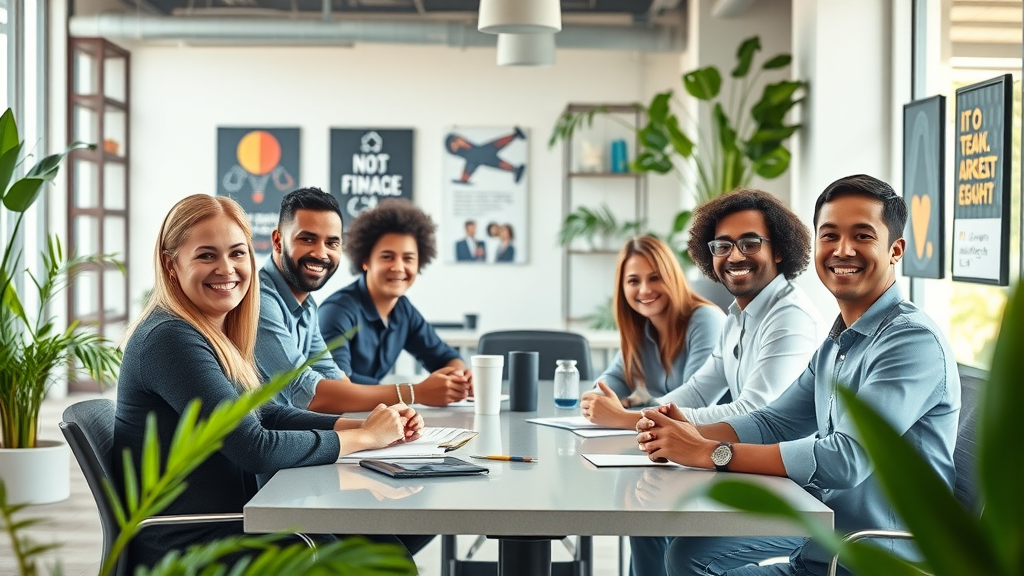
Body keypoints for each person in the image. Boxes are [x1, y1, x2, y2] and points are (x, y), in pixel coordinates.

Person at [638, 175, 961, 576]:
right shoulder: (839, 341)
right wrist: (683, 431)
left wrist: (708, 453)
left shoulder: (910, 342)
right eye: (830, 236)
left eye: (862, 235)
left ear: (895, 250)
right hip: (823, 540)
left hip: (875, 556)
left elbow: (846, 460)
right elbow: (775, 420)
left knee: (687, 558)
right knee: (687, 554)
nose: (843, 250)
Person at [113, 194, 425, 569]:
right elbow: (254, 447)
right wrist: (362, 439)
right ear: (171, 264)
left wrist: (368, 426)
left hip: (235, 522)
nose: (226, 269)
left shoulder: (211, 331)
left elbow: (269, 414)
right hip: (193, 544)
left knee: (388, 545)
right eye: (206, 255)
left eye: (237, 253)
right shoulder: (170, 339)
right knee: (385, 560)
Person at [582, 189, 822, 429]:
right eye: (723, 246)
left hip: (782, 463)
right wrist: (647, 417)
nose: (735, 256)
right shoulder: (738, 317)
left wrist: (628, 419)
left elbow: (752, 411)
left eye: (750, 244)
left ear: (778, 251)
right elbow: (696, 392)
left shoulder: (790, 316)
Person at [255, 188, 470, 412]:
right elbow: (308, 392)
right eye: (307, 239)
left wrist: (458, 380)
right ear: (278, 241)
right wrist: (414, 393)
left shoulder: (307, 306)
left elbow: (335, 379)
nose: (321, 253)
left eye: (332, 243)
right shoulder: (261, 301)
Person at [319, 199, 473, 393]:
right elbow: (338, 386)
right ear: (366, 261)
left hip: (375, 416)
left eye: (408, 258)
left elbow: (444, 358)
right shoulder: (337, 311)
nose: (399, 267)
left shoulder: (403, 310)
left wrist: (460, 378)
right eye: (387, 257)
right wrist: (416, 392)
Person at [582, 236, 725, 411]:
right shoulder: (642, 327)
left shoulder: (706, 320)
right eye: (634, 281)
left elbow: (694, 398)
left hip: (715, 434)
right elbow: (617, 378)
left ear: (671, 277)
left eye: (655, 278)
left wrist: (633, 412)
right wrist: (598, 398)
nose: (645, 290)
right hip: (669, 432)